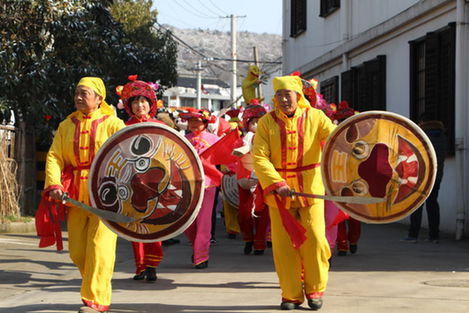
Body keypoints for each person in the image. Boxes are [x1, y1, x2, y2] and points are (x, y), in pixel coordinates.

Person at [252, 75, 336, 310]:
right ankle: (290, 294)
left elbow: (335, 140)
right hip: (279, 194)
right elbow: (259, 156)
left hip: (311, 190)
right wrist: (276, 182)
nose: (284, 99)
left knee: (316, 240)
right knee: (283, 245)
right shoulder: (266, 123)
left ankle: (315, 289)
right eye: (279, 94)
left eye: (288, 94)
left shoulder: (317, 117)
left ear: (298, 96)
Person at [43, 77, 125, 313]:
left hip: (106, 196)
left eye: (84, 93)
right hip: (75, 196)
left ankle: (96, 301)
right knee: (78, 251)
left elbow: (126, 155)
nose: (79, 98)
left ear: (99, 98)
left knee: (100, 248)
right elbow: (55, 156)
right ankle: (93, 285)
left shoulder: (113, 124)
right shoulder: (66, 125)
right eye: (77, 93)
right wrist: (55, 184)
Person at [118, 77, 165, 282]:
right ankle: (140, 266)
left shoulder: (160, 127)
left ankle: (152, 265)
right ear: (129, 106)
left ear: (150, 103)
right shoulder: (123, 127)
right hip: (131, 182)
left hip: (156, 182)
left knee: (154, 226)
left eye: (143, 101)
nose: (139, 105)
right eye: (135, 102)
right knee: (135, 226)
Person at [179, 108, 219, 269]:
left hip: (208, 185)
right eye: (191, 121)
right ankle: (196, 246)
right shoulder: (182, 140)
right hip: (187, 186)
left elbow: (227, 154)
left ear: (205, 123)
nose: (194, 124)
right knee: (187, 222)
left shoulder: (214, 139)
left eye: (197, 121)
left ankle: (201, 255)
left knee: (204, 221)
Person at [402, 112, 447, 243]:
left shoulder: (422, 137)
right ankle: (434, 236)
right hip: (437, 175)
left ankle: (413, 235)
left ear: (422, 122)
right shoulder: (442, 136)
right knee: (432, 203)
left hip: (421, 176)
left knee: (416, 204)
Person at [237, 100, 270, 255]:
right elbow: (238, 157)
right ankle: (248, 238)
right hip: (246, 176)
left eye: (261, 123)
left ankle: (260, 243)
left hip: (263, 177)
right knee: (245, 212)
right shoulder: (243, 139)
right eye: (254, 123)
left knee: (263, 211)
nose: (257, 126)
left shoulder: (269, 139)